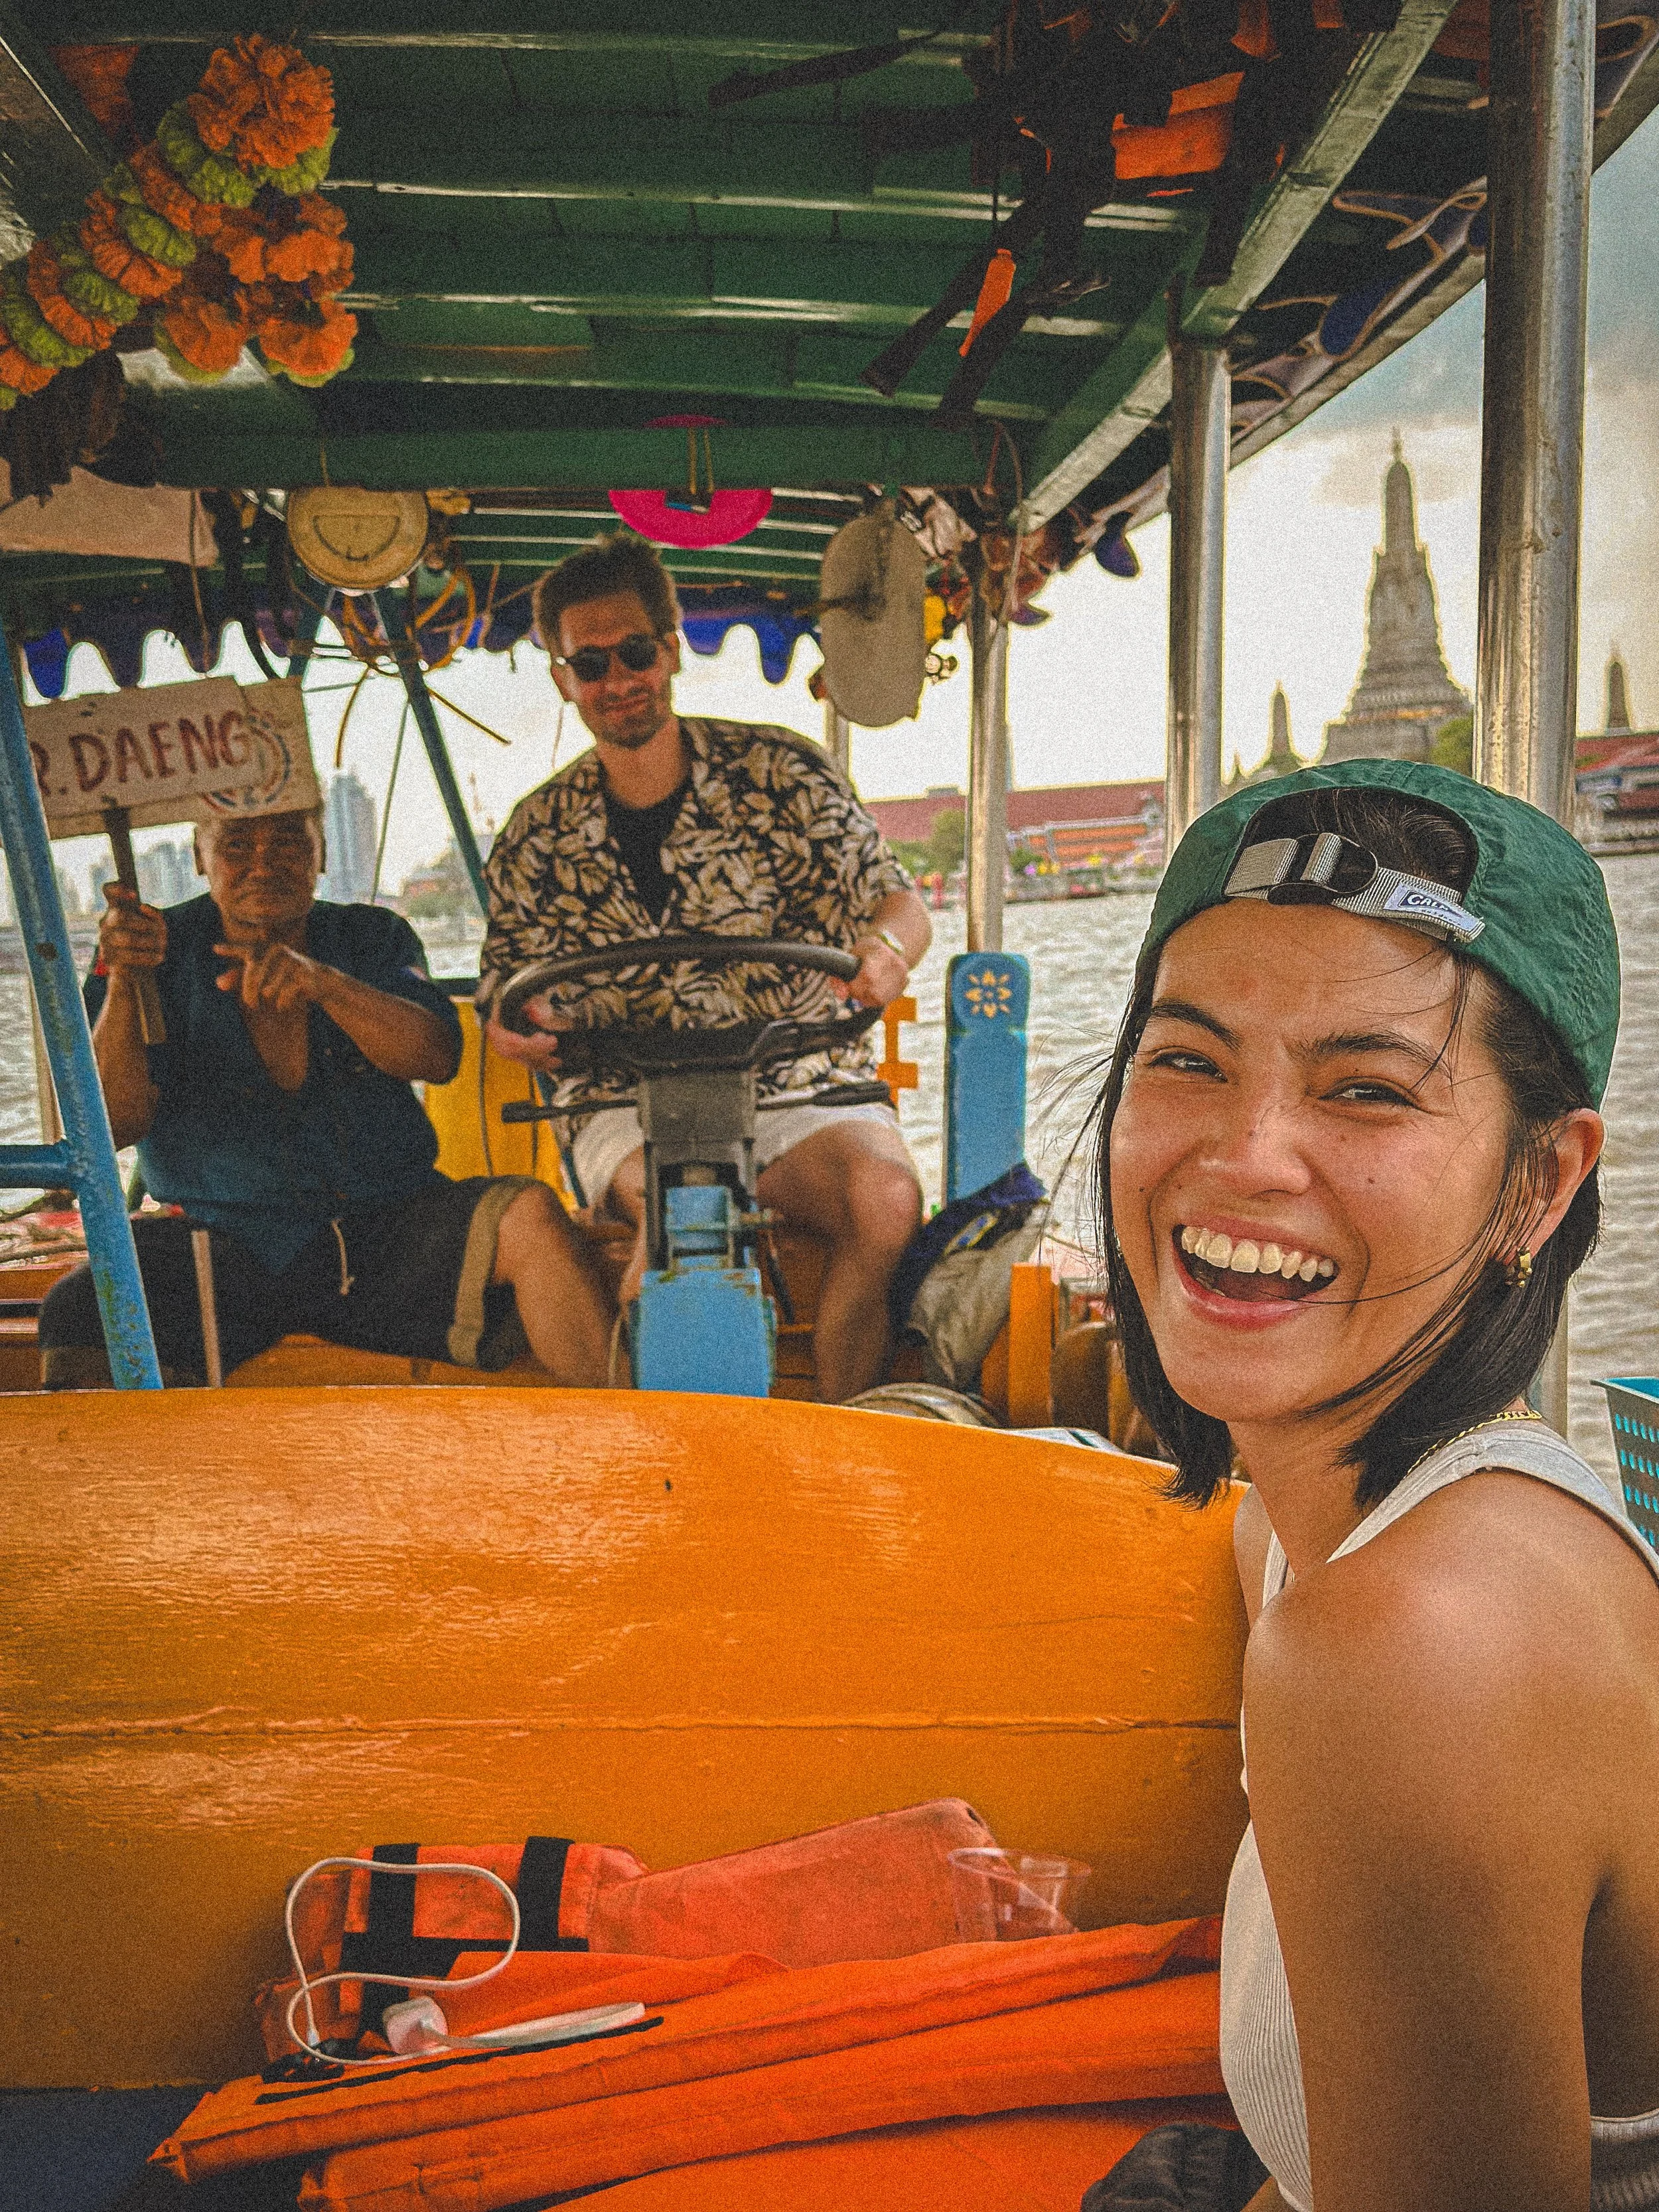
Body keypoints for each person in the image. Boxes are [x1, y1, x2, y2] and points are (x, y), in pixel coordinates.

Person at [1086, 759, 1658, 2212]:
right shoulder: (1294, 1521)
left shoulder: (1413, 1641)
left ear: (1538, 1184)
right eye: (1188, 1059)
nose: (1243, 1154)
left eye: (1364, 1090)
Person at [481, 531, 931, 1403]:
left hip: (794, 1081)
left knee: (884, 1199)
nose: (618, 680)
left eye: (636, 652)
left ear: (672, 647)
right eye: (591, 663)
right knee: (686, 1202)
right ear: (562, 678)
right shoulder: (536, 832)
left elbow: (898, 905)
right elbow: (506, 987)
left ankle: (842, 1431)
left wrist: (883, 956)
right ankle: (673, 1455)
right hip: (623, 1098)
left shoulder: (786, 774)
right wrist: (512, 1027)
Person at [40, 806, 616, 1388]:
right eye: (237, 845)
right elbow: (111, 1124)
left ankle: (635, 1443)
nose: (263, 864)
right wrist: (124, 980)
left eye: (289, 842)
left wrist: (325, 983)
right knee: (78, 1309)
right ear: (199, 856)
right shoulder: (152, 948)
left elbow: (437, 1057)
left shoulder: (370, 936)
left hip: (385, 1228)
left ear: (322, 854)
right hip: (215, 1244)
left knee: (532, 1215)